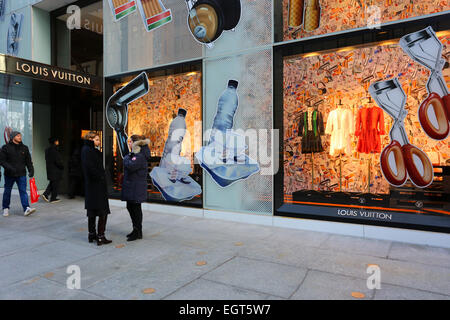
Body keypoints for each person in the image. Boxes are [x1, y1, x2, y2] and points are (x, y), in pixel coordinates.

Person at [81, 131, 112, 245]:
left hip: (92, 186)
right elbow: (91, 168)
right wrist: (100, 177)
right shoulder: (89, 151)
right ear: (90, 139)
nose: (99, 141)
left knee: (92, 210)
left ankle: (92, 234)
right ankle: (100, 236)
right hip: (97, 186)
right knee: (102, 211)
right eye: (97, 139)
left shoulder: (88, 150)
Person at [121, 135, 150, 241]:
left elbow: (131, 165)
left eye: (130, 142)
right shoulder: (134, 154)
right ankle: (135, 229)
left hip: (136, 186)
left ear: (135, 143)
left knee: (136, 209)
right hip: (132, 186)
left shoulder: (140, 155)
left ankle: (138, 231)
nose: (128, 144)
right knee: (131, 207)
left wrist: (125, 158)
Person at [0, 131, 36, 217]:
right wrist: (10, 168)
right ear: (13, 137)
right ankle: (5, 208)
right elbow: (2, 161)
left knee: (23, 191)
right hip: (9, 175)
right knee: (7, 191)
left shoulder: (25, 148)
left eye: (20, 136)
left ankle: (26, 208)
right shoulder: (5, 148)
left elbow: (28, 161)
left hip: (21, 174)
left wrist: (31, 170)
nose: (20, 137)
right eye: (18, 136)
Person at [42, 137, 64, 203]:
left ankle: (46, 194)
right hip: (56, 170)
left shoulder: (47, 150)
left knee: (52, 183)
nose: (58, 142)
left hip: (50, 169)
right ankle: (53, 198)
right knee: (55, 184)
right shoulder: (55, 150)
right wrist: (62, 166)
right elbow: (58, 161)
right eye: (57, 140)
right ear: (55, 142)